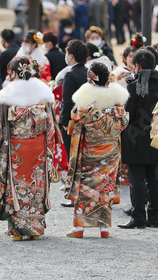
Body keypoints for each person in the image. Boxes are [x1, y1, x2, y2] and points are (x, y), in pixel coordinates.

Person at [0, 56, 60, 240]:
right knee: (36, 186)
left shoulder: (7, 95)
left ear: (14, 73)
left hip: (16, 148)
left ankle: (17, 231)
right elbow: (51, 126)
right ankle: (35, 230)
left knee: (17, 186)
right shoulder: (43, 94)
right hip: (38, 148)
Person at [64, 62, 129, 238]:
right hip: (110, 151)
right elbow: (122, 123)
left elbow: (75, 118)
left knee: (86, 186)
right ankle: (104, 229)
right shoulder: (117, 100)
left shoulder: (84, 102)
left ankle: (79, 229)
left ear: (90, 78)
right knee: (105, 188)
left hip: (89, 150)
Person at [119, 48, 158, 229]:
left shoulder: (134, 86)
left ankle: (138, 216)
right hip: (156, 135)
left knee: (137, 177)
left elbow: (126, 112)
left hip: (135, 135)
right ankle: (153, 217)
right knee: (154, 177)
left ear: (137, 66)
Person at [59, 40, 89, 208]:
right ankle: (84, 192)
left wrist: (64, 122)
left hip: (73, 122)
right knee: (84, 158)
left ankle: (75, 194)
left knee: (74, 158)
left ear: (71, 56)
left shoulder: (70, 75)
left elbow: (67, 102)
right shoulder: (88, 72)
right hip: (88, 121)